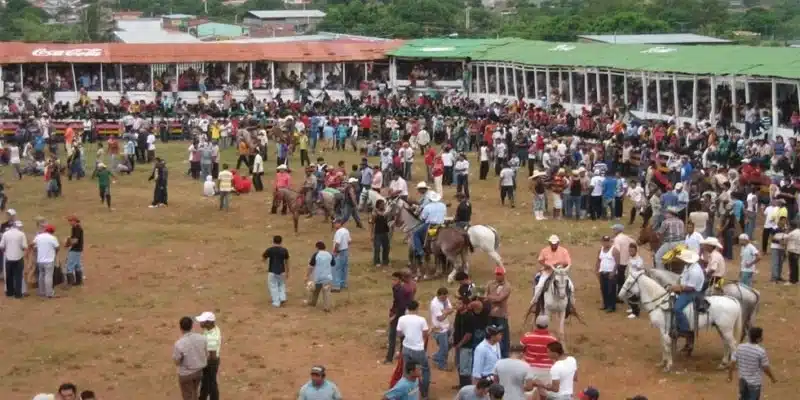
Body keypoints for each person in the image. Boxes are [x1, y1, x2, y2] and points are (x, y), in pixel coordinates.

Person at [728, 327, 777, 400]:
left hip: (742, 380)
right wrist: (772, 378)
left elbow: (732, 362)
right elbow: (765, 368)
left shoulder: (740, 347)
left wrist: (730, 375)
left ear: (749, 336)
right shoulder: (760, 352)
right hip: (754, 383)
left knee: (743, 397)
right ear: (758, 339)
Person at [396, 300, 430, 399]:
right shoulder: (421, 319)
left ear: (407, 308)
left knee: (407, 370)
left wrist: (407, 333)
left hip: (406, 347)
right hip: (418, 349)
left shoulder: (402, 319)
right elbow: (425, 333)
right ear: (417, 308)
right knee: (424, 370)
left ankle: (407, 391)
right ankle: (424, 393)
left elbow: (399, 333)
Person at [670, 250, 705, 339]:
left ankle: (684, 329)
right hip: (686, 288)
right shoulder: (687, 266)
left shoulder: (695, 271)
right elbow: (682, 277)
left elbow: (691, 288)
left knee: (677, 308)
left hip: (692, 293)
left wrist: (678, 288)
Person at [532, 235, 572, 310]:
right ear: (549, 243)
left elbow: (568, 262)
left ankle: (571, 303)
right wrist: (546, 265)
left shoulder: (564, 251)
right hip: (548, 271)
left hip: (560, 273)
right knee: (539, 286)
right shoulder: (544, 250)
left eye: (555, 244)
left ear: (558, 243)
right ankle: (535, 302)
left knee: (571, 286)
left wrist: (561, 266)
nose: (554, 245)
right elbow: (540, 260)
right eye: (552, 244)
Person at [172, 316, 207, 400]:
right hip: (198, 372)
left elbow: (177, 361)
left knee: (187, 395)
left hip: (186, 373)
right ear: (192, 326)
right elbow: (206, 353)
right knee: (195, 392)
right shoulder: (202, 338)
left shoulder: (179, 344)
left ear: (180, 328)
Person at [486, 266, 512, 357]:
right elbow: (485, 296)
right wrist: (492, 298)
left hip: (501, 315)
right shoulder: (490, 284)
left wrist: (490, 297)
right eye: (497, 274)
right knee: (490, 335)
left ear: (503, 275)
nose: (498, 276)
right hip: (490, 314)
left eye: (500, 274)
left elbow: (500, 299)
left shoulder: (507, 286)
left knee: (502, 337)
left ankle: (504, 356)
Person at [196, 312, 221, 400]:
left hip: (210, 362)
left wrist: (203, 362)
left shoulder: (211, 338)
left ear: (209, 323)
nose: (200, 323)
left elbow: (212, 356)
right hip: (211, 360)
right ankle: (202, 397)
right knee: (206, 382)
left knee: (211, 384)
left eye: (202, 321)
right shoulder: (213, 328)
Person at [413, 191, 446, 260]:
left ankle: (420, 251)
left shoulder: (427, 207)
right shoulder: (443, 205)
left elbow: (422, 218)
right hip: (442, 225)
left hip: (430, 225)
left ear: (430, 199)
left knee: (415, 234)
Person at [29, 224, 59, 298]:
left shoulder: (39, 236)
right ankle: (49, 293)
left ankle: (41, 292)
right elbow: (57, 247)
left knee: (41, 276)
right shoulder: (53, 238)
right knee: (48, 276)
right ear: (52, 231)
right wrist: (55, 252)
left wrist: (35, 249)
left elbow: (31, 244)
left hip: (40, 260)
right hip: (49, 260)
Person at [305, 241, 335, 312]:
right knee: (326, 293)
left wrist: (307, 275)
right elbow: (333, 264)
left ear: (317, 247)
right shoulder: (329, 254)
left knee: (315, 291)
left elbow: (311, 266)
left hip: (318, 277)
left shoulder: (316, 254)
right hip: (327, 277)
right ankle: (326, 307)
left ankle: (312, 303)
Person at [0, 220, 27, 298]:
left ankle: (9, 293)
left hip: (8, 258)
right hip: (19, 257)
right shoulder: (21, 234)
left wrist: (6, 250)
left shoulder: (5, 234)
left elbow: (1, 246)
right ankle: (18, 294)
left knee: (9, 276)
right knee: (18, 276)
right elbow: (24, 246)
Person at [429, 287, 454, 370]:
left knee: (451, 343)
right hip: (439, 329)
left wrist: (445, 312)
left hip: (446, 326)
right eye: (443, 297)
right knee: (444, 348)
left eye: (446, 297)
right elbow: (440, 318)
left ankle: (437, 356)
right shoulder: (434, 304)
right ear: (438, 295)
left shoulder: (445, 300)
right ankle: (442, 365)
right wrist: (447, 312)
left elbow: (451, 309)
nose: (445, 299)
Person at [262, 235, 290, 308]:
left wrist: (264, 261)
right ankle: (282, 298)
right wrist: (287, 271)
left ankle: (276, 302)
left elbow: (264, 257)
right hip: (282, 271)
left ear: (273, 241)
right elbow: (287, 261)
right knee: (282, 284)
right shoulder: (284, 250)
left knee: (273, 286)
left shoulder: (270, 250)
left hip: (272, 270)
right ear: (281, 241)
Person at [596, 235, 617, 313]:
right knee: (603, 289)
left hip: (611, 273)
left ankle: (612, 306)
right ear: (602, 242)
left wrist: (613, 272)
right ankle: (605, 305)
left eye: (607, 241)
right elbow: (598, 260)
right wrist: (597, 270)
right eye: (604, 241)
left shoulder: (614, 250)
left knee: (611, 290)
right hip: (602, 272)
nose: (605, 243)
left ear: (610, 241)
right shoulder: (600, 250)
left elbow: (617, 262)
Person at [370, 199, 392, 267]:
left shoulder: (386, 212)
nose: (383, 205)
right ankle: (377, 262)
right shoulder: (374, 213)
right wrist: (372, 234)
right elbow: (372, 224)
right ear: (378, 205)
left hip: (385, 232)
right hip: (377, 233)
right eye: (382, 204)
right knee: (377, 248)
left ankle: (385, 261)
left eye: (384, 204)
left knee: (386, 247)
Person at [332, 219, 351, 292]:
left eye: (335, 223)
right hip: (345, 251)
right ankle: (343, 284)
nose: (334, 225)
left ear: (339, 223)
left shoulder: (338, 232)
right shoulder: (346, 230)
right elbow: (349, 241)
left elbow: (337, 243)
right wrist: (345, 246)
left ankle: (336, 286)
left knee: (337, 268)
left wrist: (335, 251)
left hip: (339, 251)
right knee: (344, 268)